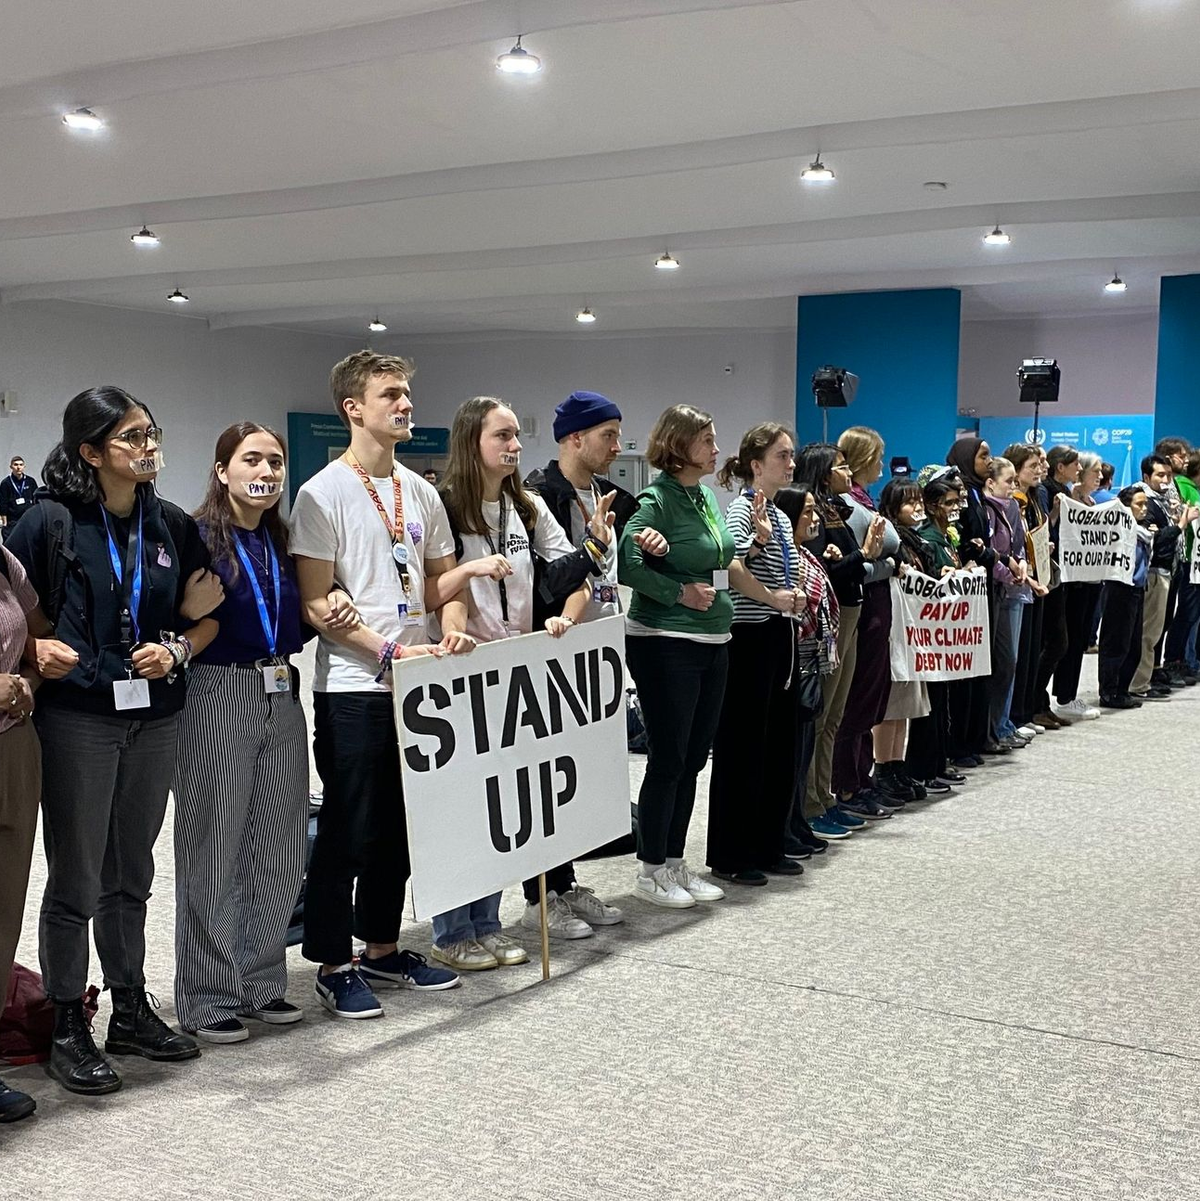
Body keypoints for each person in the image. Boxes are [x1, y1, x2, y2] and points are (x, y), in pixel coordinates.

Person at [8, 386, 224, 1095]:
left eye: (151, 432)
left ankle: (129, 1005)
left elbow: (208, 615)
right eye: (130, 437)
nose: (148, 446)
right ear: (91, 452)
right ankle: (68, 1016)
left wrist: (179, 649)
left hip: (155, 715)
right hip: (77, 718)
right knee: (76, 877)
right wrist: (41, 651)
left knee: (132, 870)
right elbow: (15, 618)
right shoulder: (49, 521)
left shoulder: (167, 523)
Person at [289, 351, 469, 1020]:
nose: (405, 404)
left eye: (406, 393)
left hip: (417, 682)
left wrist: (450, 628)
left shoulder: (420, 492)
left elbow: (440, 582)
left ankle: (384, 948)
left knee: (400, 820)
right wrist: (388, 649)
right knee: (347, 823)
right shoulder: (321, 493)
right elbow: (316, 603)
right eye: (390, 394)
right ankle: (335, 962)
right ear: (353, 408)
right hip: (354, 685)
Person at [171, 424, 364, 1044]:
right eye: (252, 459)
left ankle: (260, 982)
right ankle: (207, 994)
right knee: (214, 845)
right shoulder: (197, 538)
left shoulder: (285, 541)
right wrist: (184, 615)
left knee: (279, 845)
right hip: (216, 691)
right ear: (222, 469)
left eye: (276, 461)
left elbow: (293, 618)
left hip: (281, 689)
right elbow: (172, 619)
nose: (268, 470)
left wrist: (329, 609)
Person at [424, 396, 597, 969]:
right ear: (472, 440)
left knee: (502, 801)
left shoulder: (525, 507)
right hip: (461, 666)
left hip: (515, 667)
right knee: (461, 804)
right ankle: (453, 932)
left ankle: (487, 921)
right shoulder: (445, 504)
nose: (514, 446)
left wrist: (586, 566)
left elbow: (568, 571)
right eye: (502, 435)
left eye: (517, 436)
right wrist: (458, 618)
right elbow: (437, 586)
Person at [521, 390, 667, 936]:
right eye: (607, 436)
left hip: (599, 650)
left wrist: (648, 540)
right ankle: (541, 896)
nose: (616, 445)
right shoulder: (540, 496)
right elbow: (548, 581)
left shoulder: (612, 495)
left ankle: (565, 883)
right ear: (574, 438)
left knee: (577, 772)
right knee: (543, 771)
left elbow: (635, 552)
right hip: (553, 644)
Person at [617, 404, 732, 907]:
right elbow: (627, 563)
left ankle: (675, 861)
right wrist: (678, 592)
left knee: (693, 760)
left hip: (714, 642)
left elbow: (722, 557)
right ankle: (649, 871)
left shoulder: (703, 495)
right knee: (668, 758)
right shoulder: (656, 498)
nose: (715, 448)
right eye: (706, 439)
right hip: (666, 642)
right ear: (680, 444)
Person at [707, 423, 805, 885]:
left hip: (780, 635)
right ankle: (733, 851)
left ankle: (769, 841)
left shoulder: (782, 515)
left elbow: (784, 570)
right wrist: (773, 596)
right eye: (782, 456)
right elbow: (728, 565)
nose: (791, 463)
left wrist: (793, 595)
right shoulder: (742, 511)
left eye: (791, 455)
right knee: (744, 745)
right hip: (749, 636)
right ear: (756, 464)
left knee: (778, 743)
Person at [792, 443, 884, 839]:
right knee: (821, 714)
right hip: (831, 618)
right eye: (841, 467)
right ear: (824, 473)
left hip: (850, 612)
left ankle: (825, 796)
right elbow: (824, 575)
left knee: (835, 715)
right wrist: (863, 555)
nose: (849, 473)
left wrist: (862, 556)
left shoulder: (835, 511)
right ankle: (811, 802)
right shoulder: (812, 517)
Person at [833, 426, 906, 818]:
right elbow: (862, 561)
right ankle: (848, 783)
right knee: (857, 700)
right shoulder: (848, 504)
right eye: (877, 456)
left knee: (871, 698)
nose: (882, 463)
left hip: (878, 608)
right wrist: (889, 565)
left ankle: (862, 777)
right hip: (864, 610)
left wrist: (884, 562)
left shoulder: (863, 500)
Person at [0, 543, 43, 1122]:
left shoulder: (4, 561)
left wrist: (29, 679)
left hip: (12, 745)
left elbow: (38, 636)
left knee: (5, 908)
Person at [774, 485, 840, 853]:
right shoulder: (786, 559)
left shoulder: (807, 556)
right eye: (807, 512)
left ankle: (797, 818)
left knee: (805, 748)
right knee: (793, 750)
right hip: (794, 663)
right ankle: (784, 824)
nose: (815, 519)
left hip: (814, 663)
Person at [903, 472, 969, 793]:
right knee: (931, 704)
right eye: (948, 503)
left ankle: (940, 762)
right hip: (931, 632)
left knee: (944, 701)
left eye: (958, 502)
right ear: (931, 506)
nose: (955, 508)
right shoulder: (927, 537)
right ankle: (926, 766)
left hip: (950, 632)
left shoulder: (948, 535)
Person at [875, 476, 935, 799]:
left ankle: (897, 765)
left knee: (908, 704)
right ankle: (882, 767)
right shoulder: (892, 537)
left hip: (915, 632)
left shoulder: (917, 539)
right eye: (909, 502)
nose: (917, 508)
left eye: (919, 501)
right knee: (892, 705)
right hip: (895, 630)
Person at [944, 437, 997, 763]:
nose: (990, 460)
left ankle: (975, 738)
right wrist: (979, 553)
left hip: (982, 587)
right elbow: (964, 542)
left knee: (980, 668)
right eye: (983, 455)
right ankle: (957, 744)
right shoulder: (959, 491)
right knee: (962, 675)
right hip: (964, 589)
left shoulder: (977, 492)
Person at [982, 457, 1036, 750]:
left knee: (1009, 661)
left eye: (1016, 481)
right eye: (1009, 481)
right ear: (990, 483)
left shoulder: (1013, 507)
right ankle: (990, 729)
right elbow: (988, 553)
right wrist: (1007, 572)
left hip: (1010, 590)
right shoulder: (982, 509)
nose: (1014, 486)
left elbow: (1017, 548)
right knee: (997, 662)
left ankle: (1001, 725)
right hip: (992, 590)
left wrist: (1023, 567)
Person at [1131, 454, 1195, 702]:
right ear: (1146, 476)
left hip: (1170, 570)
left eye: (1168, 475)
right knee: (1148, 631)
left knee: (1159, 628)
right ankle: (1139, 683)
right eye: (1160, 475)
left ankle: (1150, 675)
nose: (1166, 480)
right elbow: (1156, 538)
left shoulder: (1165, 500)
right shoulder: (1144, 499)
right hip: (1153, 571)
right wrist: (1179, 524)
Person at [1005, 444, 1057, 734]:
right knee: (1018, 652)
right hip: (1021, 583)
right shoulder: (1012, 500)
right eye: (1032, 466)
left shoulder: (1037, 498)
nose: (1039, 470)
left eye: (1040, 465)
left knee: (1030, 649)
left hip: (1038, 579)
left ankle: (1023, 712)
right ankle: (1014, 715)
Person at [1034, 445, 1081, 726]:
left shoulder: (1060, 491)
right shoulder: (1045, 492)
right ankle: (1034, 703)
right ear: (1060, 466)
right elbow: (1045, 531)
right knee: (1054, 642)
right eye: (1074, 465)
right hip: (1046, 576)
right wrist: (1054, 513)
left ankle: (1040, 702)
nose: (1079, 470)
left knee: (1058, 642)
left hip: (1060, 575)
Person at [1098, 487, 1151, 709]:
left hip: (1137, 589)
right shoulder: (1117, 529)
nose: (1144, 509)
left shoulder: (1143, 531)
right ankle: (1109, 691)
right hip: (1119, 587)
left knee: (1133, 644)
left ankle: (1123, 689)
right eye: (1139, 504)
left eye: (1145, 503)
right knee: (1116, 643)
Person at [1163, 449, 1200, 683]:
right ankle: (1173, 661)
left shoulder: (1194, 489)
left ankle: (1184, 661)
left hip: (1196, 562)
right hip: (1187, 561)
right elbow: (1181, 520)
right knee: (1185, 614)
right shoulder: (1182, 487)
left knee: (1193, 615)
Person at [0, 456, 37, 538]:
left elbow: (36, 500)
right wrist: (5, 523)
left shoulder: (30, 481)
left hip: (28, 519)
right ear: (11, 467)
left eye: (21, 465)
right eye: (16, 465)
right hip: (12, 521)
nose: (18, 467)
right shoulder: (6, 483)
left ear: (24, 467)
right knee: (10, 546)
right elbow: (3, 504)